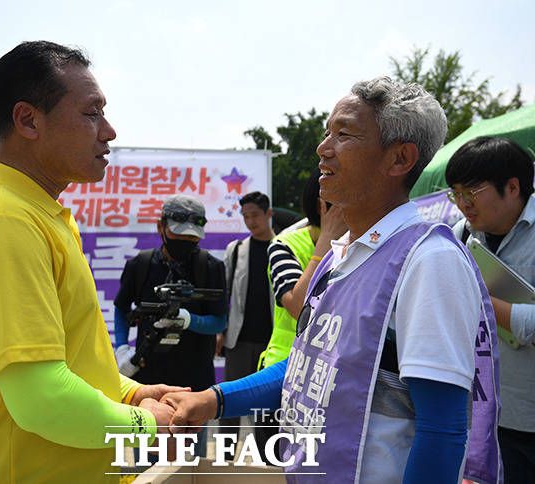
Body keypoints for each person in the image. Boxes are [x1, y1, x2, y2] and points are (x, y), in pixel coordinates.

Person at [162, 76, 501, 484]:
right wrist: (215, 399)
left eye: (344, 135)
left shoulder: (429, 260)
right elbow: (308, 366)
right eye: (327, 133)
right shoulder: (338, 256)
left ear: (399, 159)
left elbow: (442, 429)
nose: (322, 148)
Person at [0, 41, 184, 484]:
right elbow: (41, 398)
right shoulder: (2, 221)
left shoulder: (37, 215)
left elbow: (70, 365)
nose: (109, 131)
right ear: (28, 120)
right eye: (92, 113)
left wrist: (132, 392)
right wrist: (148, 424)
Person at [445, 136, 535, 484]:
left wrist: (479, 299)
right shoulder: (460, 236)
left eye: (472, 191)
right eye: (456, 193)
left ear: (513, 187)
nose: (463, 204)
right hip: (489, 420)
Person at [113, 194, 226, 458]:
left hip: (194, 384)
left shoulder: (211, 267)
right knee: (147, 463)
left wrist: (190, 320)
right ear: (160, 227)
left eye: (192, 238)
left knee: (190, 466)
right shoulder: (140, 265)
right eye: (178, 235)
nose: (185, 243)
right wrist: (122, 348)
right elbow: (121, 308)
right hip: (147, 381)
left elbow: (219, 321)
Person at [253, 170, 346, 458]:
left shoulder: (361, 245)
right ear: (323, 205)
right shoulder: (285, 245)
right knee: (275, 471)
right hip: (282, 380)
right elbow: (297, 307)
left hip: (331, 381)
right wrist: (326, 241)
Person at [216, 191, 275, 458]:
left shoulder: (284, 246)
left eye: (255, 215)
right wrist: (220, 331)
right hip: (238, 341)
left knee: (267, 408)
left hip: (272, 343)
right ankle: (224, 460)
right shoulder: (237, 249)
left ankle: (269, 463)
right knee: (230, 402)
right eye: (246, 216)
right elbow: (224, 293)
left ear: (268, 214)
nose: (251, 221)